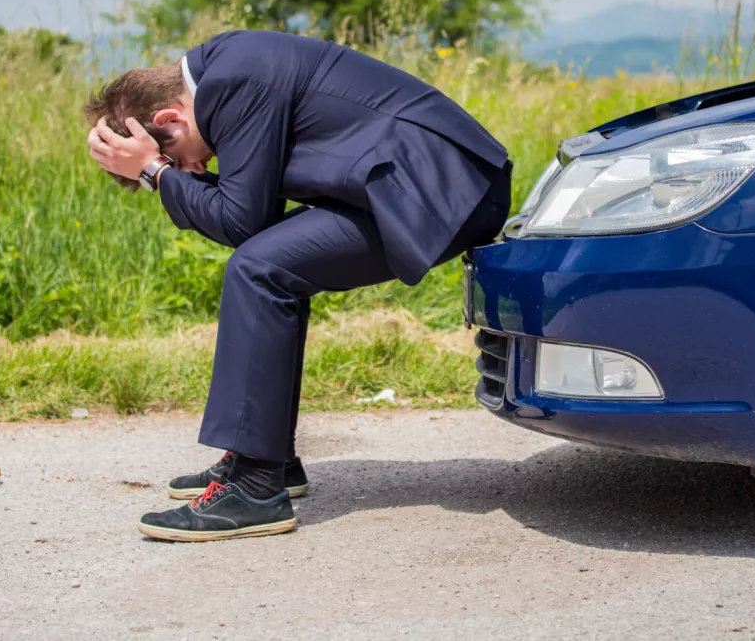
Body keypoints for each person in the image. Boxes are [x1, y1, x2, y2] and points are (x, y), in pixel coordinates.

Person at [84, 30, 511, 541]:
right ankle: (267, 458)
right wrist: (159, 167)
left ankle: (256, 487)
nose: (196, 171)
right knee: (269, 264)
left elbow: (241, 222)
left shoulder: (233, 81)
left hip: (439, 188)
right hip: (413, 181)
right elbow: (252, 214)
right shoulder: (226, 69)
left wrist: (153, 172)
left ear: (169, 120)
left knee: (259, 268)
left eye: (179, 160)